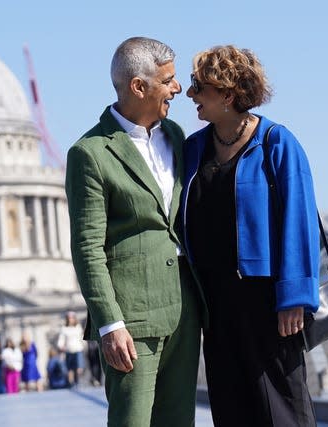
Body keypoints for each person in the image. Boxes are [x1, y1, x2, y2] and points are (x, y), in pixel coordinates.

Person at [65, 36, 206, 427]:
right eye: (169, 80)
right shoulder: (90, 152)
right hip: (131, 319)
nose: (178, 88)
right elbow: (87, 246)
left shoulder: (176, 136)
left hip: (183, 309)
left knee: (180, 421)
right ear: (138, 87)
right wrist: (110, 323)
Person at [181, 45, 319, 427]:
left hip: (269, 303)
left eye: (198, 86)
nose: (190, 95)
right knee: (231, 408)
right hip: (215, 304)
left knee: (282, 409)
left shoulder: (277, 142)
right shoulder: (193, 149)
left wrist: (294, 297)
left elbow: (300, 220)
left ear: (227, 94)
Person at [56, 311, 85, 387]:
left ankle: (78, 381)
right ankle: (72, 383)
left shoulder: (78, 327)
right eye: (69, 318)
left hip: (78, 349)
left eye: (72, 318)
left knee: (79, 367)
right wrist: (60, 346)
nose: (70, 319)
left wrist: (84, 345)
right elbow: (61, 339)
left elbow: (81, 338)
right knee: (70, 368)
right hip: (68, 350)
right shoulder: (64, 329)